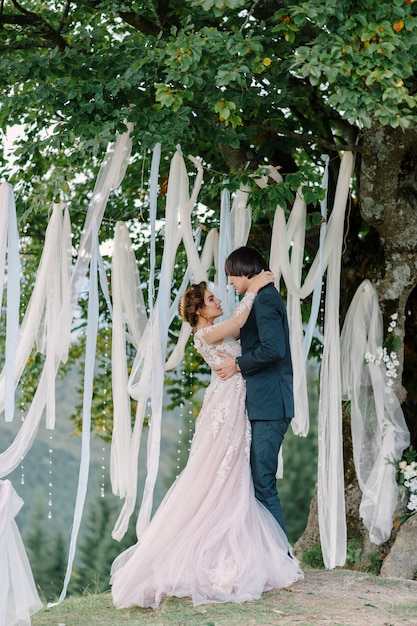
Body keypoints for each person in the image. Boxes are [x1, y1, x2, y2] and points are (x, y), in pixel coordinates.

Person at [110, 272, 303, 610]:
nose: (218, 301)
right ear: (199, 311)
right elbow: (241, 318)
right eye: (212, 300)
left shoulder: (211, 330)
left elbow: (246, 329)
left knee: (233, 470)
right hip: (227, 403)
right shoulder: (206, 333)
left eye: (216, 297)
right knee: (224, 468)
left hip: (236, 397)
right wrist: (254, 288)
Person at [214, 246, 293, 537]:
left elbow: (274, 349)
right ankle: (267, 554)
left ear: (244, 269)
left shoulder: (266, 300)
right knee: (256, 479)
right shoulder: (259, 298)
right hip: (262, 405)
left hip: (271, 406)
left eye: (231, 275)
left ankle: (281, 556)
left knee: (262, 481)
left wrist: (237, 364)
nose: (230, 283)